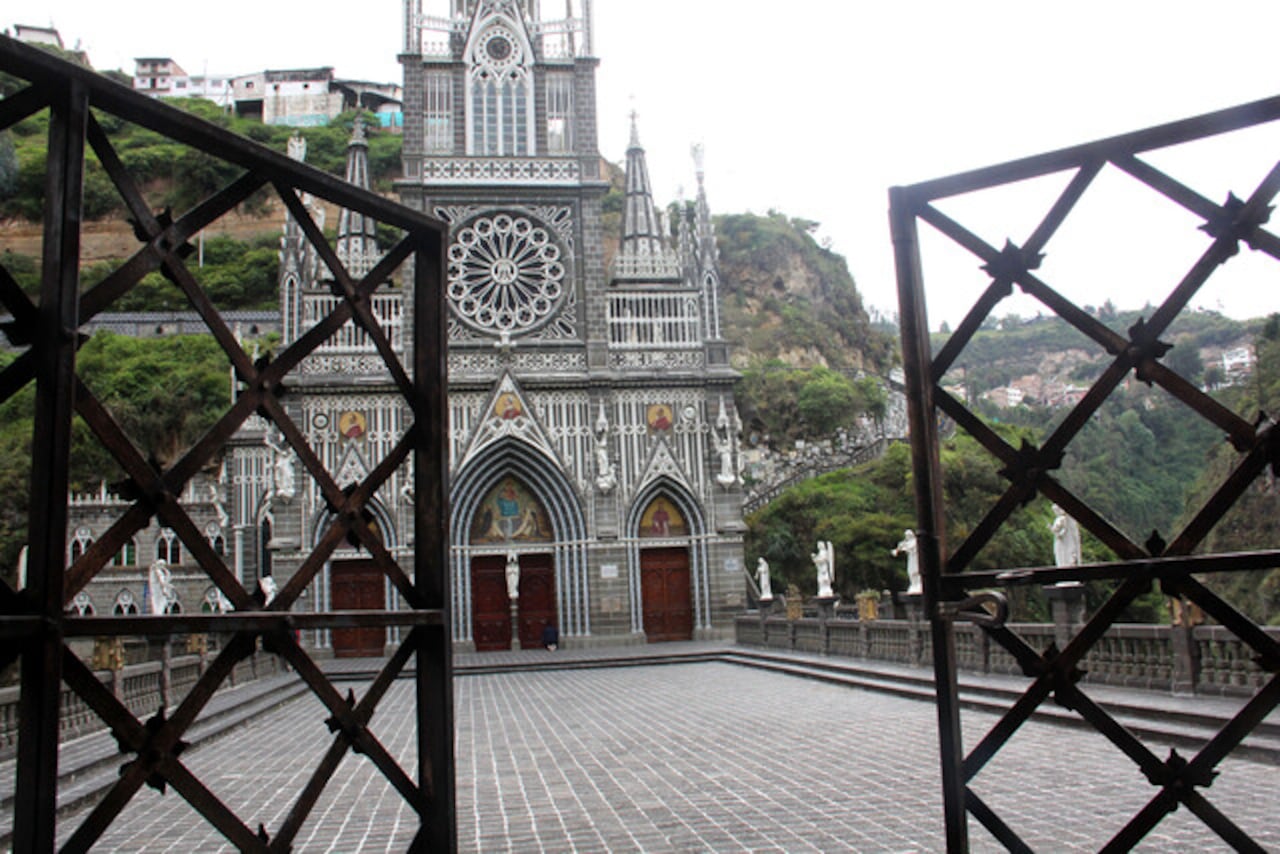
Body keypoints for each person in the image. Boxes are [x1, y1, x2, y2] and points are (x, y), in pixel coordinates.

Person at [894, 530, 921, 594]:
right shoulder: (907, 542)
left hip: (915, 559)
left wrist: (903, 547)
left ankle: (918, 584)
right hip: (911, 559)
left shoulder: (915, 542)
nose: (907, 537)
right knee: (910, 571)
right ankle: (913, 584)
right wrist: (899, 548)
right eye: (906, 536)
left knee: (916, 571)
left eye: (908, 535)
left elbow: (910, 548)